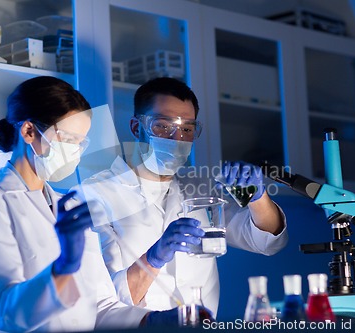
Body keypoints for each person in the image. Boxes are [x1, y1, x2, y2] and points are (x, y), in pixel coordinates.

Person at [0, 76, 186, 332]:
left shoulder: (68, 207)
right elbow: (6, 313)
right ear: (29, 131)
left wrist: (156, 320)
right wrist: (65, 265)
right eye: (67, 139)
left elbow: (100, 306)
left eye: (80, 142)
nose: (75, 151)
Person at [79, 77, 288, 316]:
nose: (176, 138)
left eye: (187, 128)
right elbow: (106, 301)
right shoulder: (96, 194)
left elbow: (267, 242)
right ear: (137, 128)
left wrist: (256, 197)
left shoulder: (200, 187)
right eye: (163, 125)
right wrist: (155, 257)